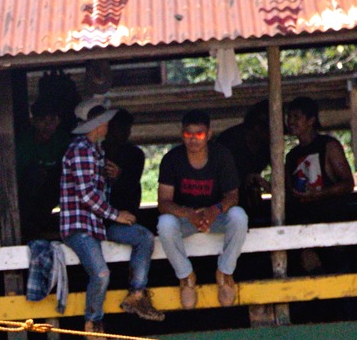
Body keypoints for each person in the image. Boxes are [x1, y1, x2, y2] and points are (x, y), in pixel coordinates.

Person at [61, 103, 158, 340]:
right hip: (80, 225)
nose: (109, 126)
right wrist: (116, 215)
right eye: (105, 121)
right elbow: (87, 196)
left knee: (144, 237)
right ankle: (93, 323)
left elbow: (100, 190)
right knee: (102, 273)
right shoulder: (81, 150)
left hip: (97, 224)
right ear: (96, 125)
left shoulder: (96, 151)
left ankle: (136, 294)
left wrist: (114, 178)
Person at [155, 109, 247, 309]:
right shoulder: (172, 159)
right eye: (189, 134)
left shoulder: (222, 156)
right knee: (165, 223)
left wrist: (214, 211)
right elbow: (163, 202)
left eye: (199, 134)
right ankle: (186, 277)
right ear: (182, 134)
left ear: (209, 134)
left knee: (239, 216)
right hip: (186, 218)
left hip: (216, 216)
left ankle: (225, 273)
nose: (193, 140)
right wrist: (189, 214)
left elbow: (233, 196)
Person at [281, 95, 355, 272]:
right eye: (289, 117)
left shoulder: (329, 146)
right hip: (305, 226)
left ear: (311, 120)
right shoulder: (291, 156)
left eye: (296, 117)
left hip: (333, 221)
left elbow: (348, 184)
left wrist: (320, 194)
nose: (291, 122)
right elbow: (288, 194)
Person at [16, 94, 70, 239]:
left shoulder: (63, 142)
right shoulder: (23, 145)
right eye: (42, 120)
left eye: (52, 120)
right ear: (33, 121)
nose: (48, 125)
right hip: (25, 201)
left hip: (50, 197)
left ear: (58, 121)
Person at [214, 100, 273, 224]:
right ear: (256, 127)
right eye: (267, 129)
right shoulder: (228, 142)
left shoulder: (267, 146)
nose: (269, 135)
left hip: (250, 200)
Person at [103, 108, 146, 218]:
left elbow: (132, 185)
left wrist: (119, 175)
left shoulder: (135, 154)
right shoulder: (97, 151)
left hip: (125, 211)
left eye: (127, 129)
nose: (125, 133)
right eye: (120, 128)